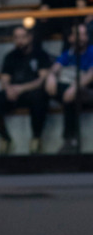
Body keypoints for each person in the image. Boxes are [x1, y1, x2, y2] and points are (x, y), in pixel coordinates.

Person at [0, 26, 51, 155]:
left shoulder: (40, 54)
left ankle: (36, 138)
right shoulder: (10, 56)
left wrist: (21, 88)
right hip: (13, 94)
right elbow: (4, 79)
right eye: (16, 37)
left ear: (30, 37)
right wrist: (8, 89)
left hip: (31, 92)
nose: (20, 40)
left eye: (22, 37)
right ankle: (5, 138)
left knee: (40, 97)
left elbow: (41, 80)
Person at [44, 24, 93, 154]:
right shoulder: (68, 53)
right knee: (44, 90)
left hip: (87, 90)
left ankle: (71, 139)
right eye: (79, 34)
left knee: (71, 95)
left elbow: (91, 74)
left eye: (84, 34)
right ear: (71, 38)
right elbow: (55, 68)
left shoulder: (91, 51)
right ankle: (38, 138)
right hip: (69, 91)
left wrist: (74, 87)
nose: (82, 38)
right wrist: (51, 77)